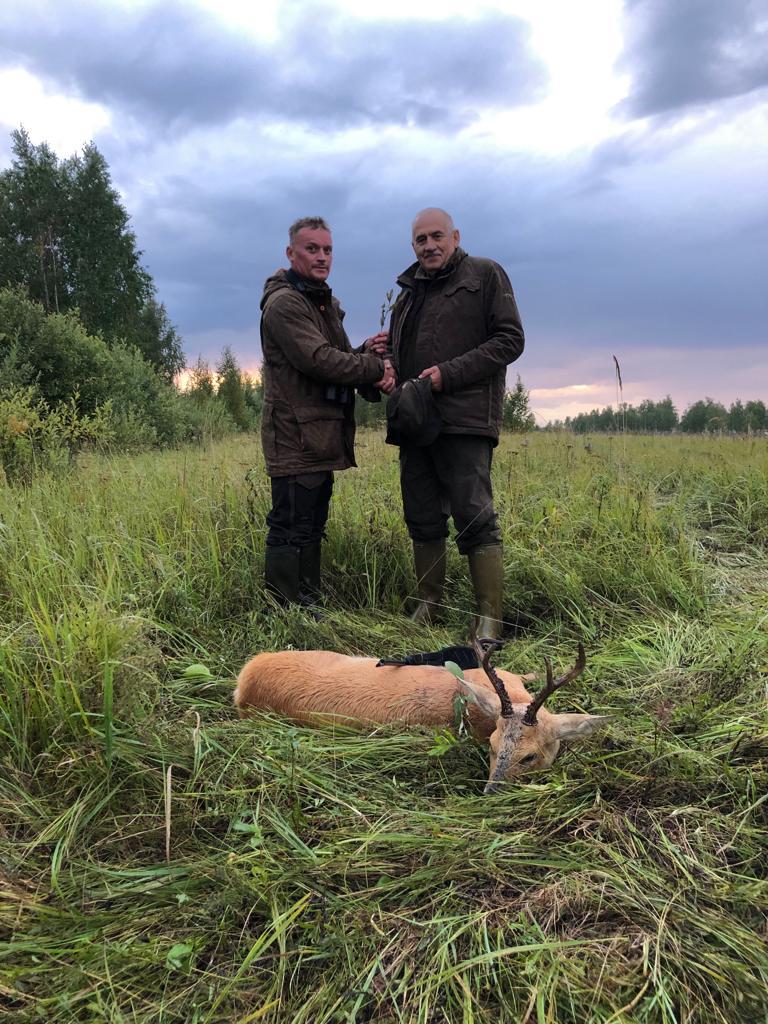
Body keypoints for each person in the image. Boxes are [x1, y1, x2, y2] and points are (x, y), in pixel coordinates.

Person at [387, 208, 525, 638]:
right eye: (421, 239)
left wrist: (448, 374)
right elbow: (402, 356)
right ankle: (429, 604)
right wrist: (384, 362)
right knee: (422, 515)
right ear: (413, 245)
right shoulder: (407, 294)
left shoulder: (485, 275)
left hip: (466, 420)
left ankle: (490, 618)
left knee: (474, 515)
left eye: (437, 236)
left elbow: (510, 340)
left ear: (455, 237)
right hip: (416, 422)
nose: (429, 246)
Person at [260, 216, 394, 610]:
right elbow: (318, 360)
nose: (322, 257)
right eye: (312, 249)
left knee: (312, 524)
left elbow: (337, 357)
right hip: (293, 436)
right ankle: (284, 612)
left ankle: (308, 606)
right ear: (291, 253)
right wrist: (376, 368)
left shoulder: (321, 303)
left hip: (317, 436)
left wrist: (365, 351)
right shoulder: (285, 304)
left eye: (328, 250)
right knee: (290, 526)